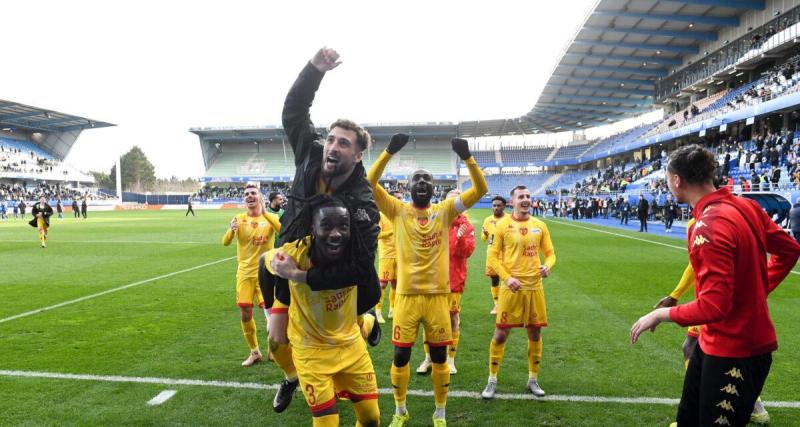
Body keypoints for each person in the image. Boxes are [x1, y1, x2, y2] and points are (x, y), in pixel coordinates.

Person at [631, 145, 800, 427]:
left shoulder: (707, 226)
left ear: (676, 181)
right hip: (713, 344)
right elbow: (790, 250)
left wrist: (660, 314)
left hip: (736, 350)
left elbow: (713, 306)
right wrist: (755, 290)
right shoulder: (746, 206)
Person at [262, 46, 381, 414]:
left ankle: (365, 320)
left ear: (358, 155)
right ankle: (290, 378)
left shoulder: (363, 205)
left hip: (334, 279)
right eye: (330, 139)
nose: (332, 146)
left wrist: (303, 274)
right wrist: (314, 69)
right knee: (277, 340)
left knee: (338, 331)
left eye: (343, 143)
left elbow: (361, 267)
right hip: (290, 262)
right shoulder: (311, 153)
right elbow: (294, 112)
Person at [367, 133, 488, 427]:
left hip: (437, 297)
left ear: (434, 188)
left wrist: (468, 158)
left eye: (427, 179)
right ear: (408, 187)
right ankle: (400, 410)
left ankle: (440, 412)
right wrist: (388, 152)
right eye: (416, 179)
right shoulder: (396, 210)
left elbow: (481, 189)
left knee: (439, 356)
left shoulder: (445, 212)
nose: (421, 182)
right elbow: (369, 184)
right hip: (406, 297)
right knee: (400, 356)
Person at [264, 196, 380, 427]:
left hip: (349, 345)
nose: (336, 233)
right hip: (311, 350)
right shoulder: (293, 254)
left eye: (343, 227)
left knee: (371, 419)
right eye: (327, 226)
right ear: (313, 229)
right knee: (327, 422)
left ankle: (367, 321)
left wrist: (297, 276)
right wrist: (271, 309)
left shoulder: (357, 255)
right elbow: (263, 263)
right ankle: (291, 378)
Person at [653, 214, 771, 425]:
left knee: (695, 348)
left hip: (713, 301)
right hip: (730, 300)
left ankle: (751, 404)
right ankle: (753, 406)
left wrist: (675, 296)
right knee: (694, 347)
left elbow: (693, 266)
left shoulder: (700, 223)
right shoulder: (737, 213)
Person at [481, 185, 556, 400]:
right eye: (521, 196)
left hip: (534, 288)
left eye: (528, 196)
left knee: (535, 333)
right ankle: (492, 380)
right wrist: (508, 278)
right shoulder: (502, 226)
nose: (525, 199)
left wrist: (548, 266)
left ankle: (533, 379)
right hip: (511, 288)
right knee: (501, 333)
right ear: (512, 202)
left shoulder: (540, 225)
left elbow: (550, 254)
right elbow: (493, 257)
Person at [222, 184, 282, 367]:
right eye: (246, 194)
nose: (249, 196)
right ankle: (254, 352)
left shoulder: (270, 217)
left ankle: (274, 350)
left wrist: (266, 214)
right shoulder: (238, 219)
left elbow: (282, 231)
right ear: (244, 199)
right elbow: (225, 243)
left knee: (272, 316)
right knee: (245, 313)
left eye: (253, 193)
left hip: (266, 273)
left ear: (259, 197)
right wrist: (231, 230)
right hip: (245, 274)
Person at [417, 189, 475, 375]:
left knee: (452, 319)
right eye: (451, 201)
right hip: (431, 281)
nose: (453, 205)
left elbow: (467, 252)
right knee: (428, 321)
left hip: (453, 281)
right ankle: (428, 358)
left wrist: (459, 240)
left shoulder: (465, 226)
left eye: (458, 201)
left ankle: (450, 360)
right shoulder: (433, 222)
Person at [376, 190, 404, 324]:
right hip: (386, 255)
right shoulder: (380, 215)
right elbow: (376, 235)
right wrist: (392, 232)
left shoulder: (401, 215)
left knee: (396, 283)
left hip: (399, 255)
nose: (400, 200)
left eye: (401, 198)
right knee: (382, 284)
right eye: (397, 198)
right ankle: (378, 311)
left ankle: (392, 309)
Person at [481, 196, 507, 314]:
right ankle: (497, 304)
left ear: (504, 206)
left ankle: (507, 303)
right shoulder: (487, 220)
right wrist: (484, 234)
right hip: (492, 255)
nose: (496, 208)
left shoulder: (510, 219)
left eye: (498, 205)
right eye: (494, 205)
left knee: (507, 279)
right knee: (494, 279)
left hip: (507, 255)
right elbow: (483, 238)